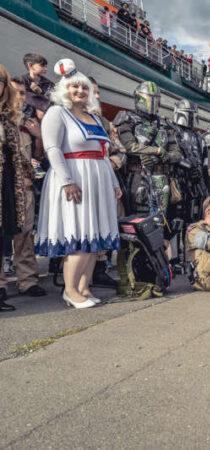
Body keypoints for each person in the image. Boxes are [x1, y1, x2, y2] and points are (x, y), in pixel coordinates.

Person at [37, 60, 122, 308]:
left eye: (84, 88)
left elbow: (102, 153)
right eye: (74, 87)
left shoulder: (93, 118)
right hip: (75, 179)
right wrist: (67, 181)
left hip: (98, 181)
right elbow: (52, 148)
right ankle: (70, 290)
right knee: (79, 237)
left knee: (93, 240)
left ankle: (84, 288)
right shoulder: (57, 113)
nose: (80, 92)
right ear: (65, 89)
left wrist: (114, 182)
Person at [2, 77, 47, 301]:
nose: (20, 97)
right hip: (4, 185)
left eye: (22, 93)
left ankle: (27, 281)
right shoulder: (4, 120)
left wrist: (38, 137)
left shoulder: (27, 123)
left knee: (25, 235)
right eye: (16, 92)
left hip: (24, 186)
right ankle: (1, 285)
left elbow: (37, 156)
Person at [114, 81, 182, 216]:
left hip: (161, 177)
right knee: (136, 217)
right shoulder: (127, 119)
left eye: (155, 100)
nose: (152, 103)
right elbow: (128, 146)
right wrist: (155, 151)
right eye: (149, 99)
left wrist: (166, 156)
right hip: (137, 177)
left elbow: (177, 153)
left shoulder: (165, 124)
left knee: (160, 219)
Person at [0, 66, 31, 311]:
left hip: (8, 184)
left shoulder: (7, 117)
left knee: (9, 234)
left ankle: (8, 286)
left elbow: (16, 154)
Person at [19, 53, 54, 118]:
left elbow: (52, 103)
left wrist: (40, 92)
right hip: (24, 119)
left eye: (46, 66)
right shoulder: (21, 82)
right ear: (30, 65)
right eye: (42, 66)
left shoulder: (49, 84)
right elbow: (24, 99)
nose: (46, 69)